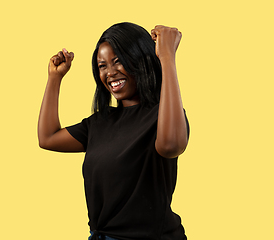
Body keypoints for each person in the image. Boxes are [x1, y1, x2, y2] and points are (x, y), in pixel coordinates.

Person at [38, 22, 189, 240]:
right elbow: (48, 138)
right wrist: (54, 78)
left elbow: (171, 145)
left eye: (118, 61)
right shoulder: (100, 121)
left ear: (141, 59)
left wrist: (166, 57)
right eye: (102, 66)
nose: (110, 73)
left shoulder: (164, 115)